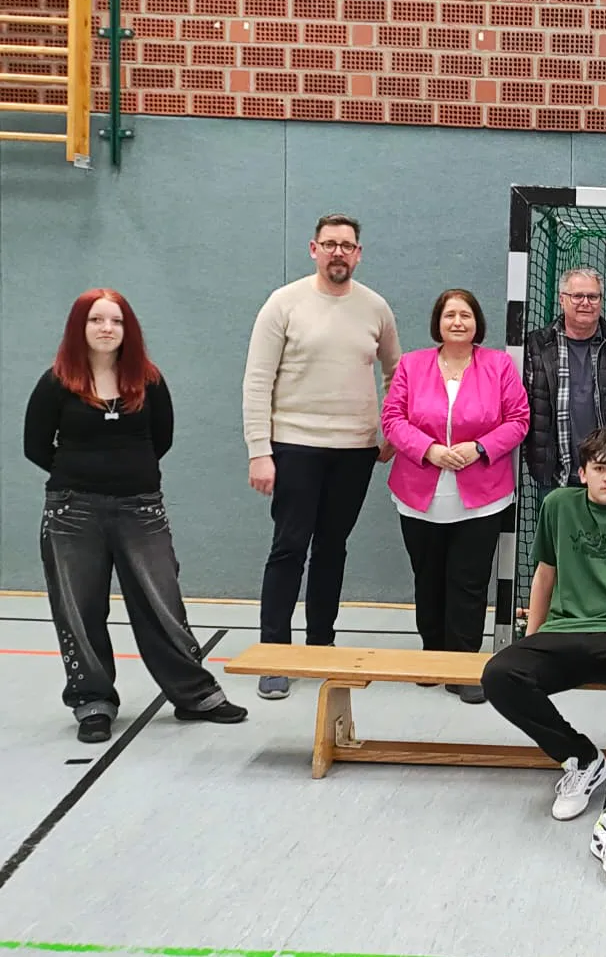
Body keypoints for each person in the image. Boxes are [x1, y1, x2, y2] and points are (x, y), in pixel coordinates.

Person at [23, 288, 248, 743]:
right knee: (79, 608)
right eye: (96, 320)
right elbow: (35, 446)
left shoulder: (149, 381)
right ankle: (93, 702)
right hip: (72, 512)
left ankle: (194, 695)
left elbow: (161, 439)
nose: (107, 328)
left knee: (162, 602)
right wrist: (82, 474)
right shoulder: (56, 382)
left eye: (116, 321)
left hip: (140, 509)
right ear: (80, 327)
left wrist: (127, 475)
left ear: (128, 330)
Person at [479, 428, 606, 883]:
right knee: (499, 675)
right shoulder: (557, 506)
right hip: (566, 631)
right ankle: (583, 758)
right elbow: (545, 574)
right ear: (583, 473)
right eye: (599, 468)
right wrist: (531, 638)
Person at [243, 213, 401, 701]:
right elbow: (257, 380)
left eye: (346, 245)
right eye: (329, 244)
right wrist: (259, 451)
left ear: (358, 254)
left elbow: (396, 373)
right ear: (314, 249)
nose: (338, 252)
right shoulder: (283, 303)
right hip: (295, 447)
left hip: (355, 451)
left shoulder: (375, 308)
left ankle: (320, 644)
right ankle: (274, 654)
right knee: (289, 547)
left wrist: (391, 432)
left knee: (333, 548)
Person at [381, 288, 529, 703]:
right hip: (418, 495)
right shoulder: (412, 365)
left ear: (477, 322)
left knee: (469, 583)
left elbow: (518, 420)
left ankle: (463, 667)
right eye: (450, 315)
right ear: (438, 323)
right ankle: (433, 656)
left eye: (466, 315)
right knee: (427, 580)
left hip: (482, 497)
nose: (458, 322)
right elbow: (392, 418)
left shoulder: (499, 366)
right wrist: (427, 449)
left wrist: (479, 447)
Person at [523, 266, 606, 492]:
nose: (586, 302)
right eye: (577, 296)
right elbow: (521, 410)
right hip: (557, 479)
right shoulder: (537, 346)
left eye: (593, 296)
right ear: (562, 300)